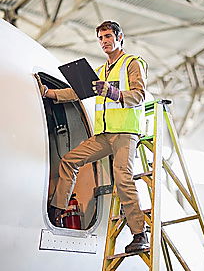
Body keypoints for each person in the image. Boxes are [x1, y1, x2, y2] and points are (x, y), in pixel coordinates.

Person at [35, 20, 149, 253]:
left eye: (108, 36)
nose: (105, 41)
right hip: (105, 135)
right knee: (69, 160)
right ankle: (57, 211)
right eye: (101, 38)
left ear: (119, 37)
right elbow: (76, 93)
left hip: (126, 133)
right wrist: (49, 93)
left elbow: (138, 96)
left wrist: (112, 92)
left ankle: (140, 234)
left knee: (123, 178)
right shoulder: (99, 72)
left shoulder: (132, 63)